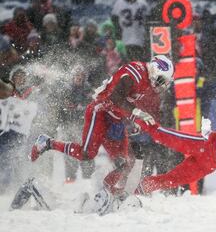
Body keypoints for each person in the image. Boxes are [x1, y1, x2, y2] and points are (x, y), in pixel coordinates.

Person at [30, 55, 174, 214]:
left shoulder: (148, 83)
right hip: (100, 112)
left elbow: (130, 104)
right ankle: (47, 143)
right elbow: (115, 98)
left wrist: (134, 121)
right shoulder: (136, 72)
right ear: (154, 69)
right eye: (161, 80)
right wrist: (135, 114)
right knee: (87, 153)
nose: (161, 85)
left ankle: (107, 193)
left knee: (124, 163)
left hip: (116, 120)